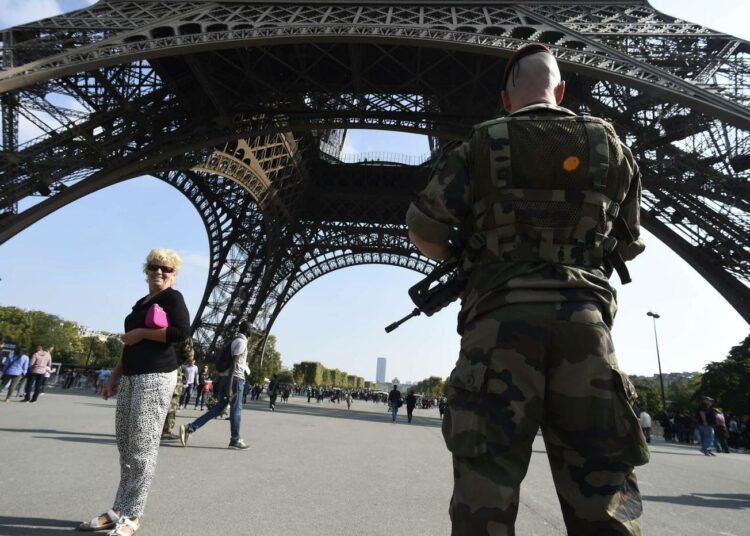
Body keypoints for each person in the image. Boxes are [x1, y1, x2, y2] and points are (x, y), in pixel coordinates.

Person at [406, 43, 649, 534]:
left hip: (498, 327)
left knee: (484, 494)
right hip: (586, 330)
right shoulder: (608, 144)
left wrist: (463, 257)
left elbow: (423, 229)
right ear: (560, 91)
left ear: (506, 97)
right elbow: (629, 241)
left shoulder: (479, 144)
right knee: (602, 495)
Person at [77, 248, 190, 535]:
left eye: (167, 269)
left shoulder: (172, 298)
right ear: (146, 270)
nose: (160, 272)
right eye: (154, 267)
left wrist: (141, 333)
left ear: (174, 274)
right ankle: (118, 510)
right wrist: (114, 376)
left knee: (142, 447)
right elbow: (129, 346)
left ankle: (134, 515)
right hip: (131, 376)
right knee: (126, 445)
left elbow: (180, 333)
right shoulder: (141, 302)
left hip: (155, 376)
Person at [180, 322, 252, 450]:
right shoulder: (241, 342)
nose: (253, 331)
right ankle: (235, 440)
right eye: (251, 328)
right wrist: (229, 388)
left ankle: (190, 428)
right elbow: (234, 365)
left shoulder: (235, 341)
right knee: (236, 410)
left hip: (227, 378)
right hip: (235, 380)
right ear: (247, 330)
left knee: (218, 409)